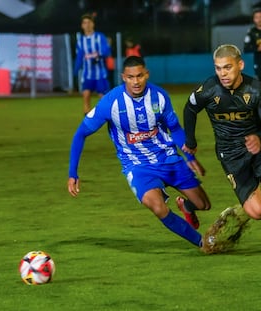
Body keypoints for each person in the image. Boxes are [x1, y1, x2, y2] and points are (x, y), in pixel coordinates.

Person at [68, 56, 211, 249]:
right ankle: (202, 242)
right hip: (137, 165)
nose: (136, 81)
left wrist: (189, 156)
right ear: (123, 77)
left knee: (203, 204)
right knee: (158, 207)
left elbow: (175, 128)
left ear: (146, 74)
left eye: (140, 76)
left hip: (168, 158)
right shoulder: (111, 102)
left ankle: (186, 206)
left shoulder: (159, 96)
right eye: (130, 77)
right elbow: (81, 133)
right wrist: (72, 173)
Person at [182, 44, 261, 260]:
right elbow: (189, 108)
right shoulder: (208, 90)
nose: (223, 73)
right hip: (230, 154)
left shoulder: (257, 89)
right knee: (257, 212)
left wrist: (259, 138)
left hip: (260, 147)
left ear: (240, 65)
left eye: (227, 67)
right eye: (218, 68)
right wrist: (190, 140)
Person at [74, 13, 110, 115]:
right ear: (82, 25)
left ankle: (107, 115)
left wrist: (99, 56)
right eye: (85, 23)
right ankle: (88, 118)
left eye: (89, 22)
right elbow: (79, 57)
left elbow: (106, 51)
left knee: (103, 97)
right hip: (87, 74)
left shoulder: (99, 37)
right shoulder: (81, 41)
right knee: (86, 95)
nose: (87, 25)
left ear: (93, 24)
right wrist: (75, 72)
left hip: (101, 73)